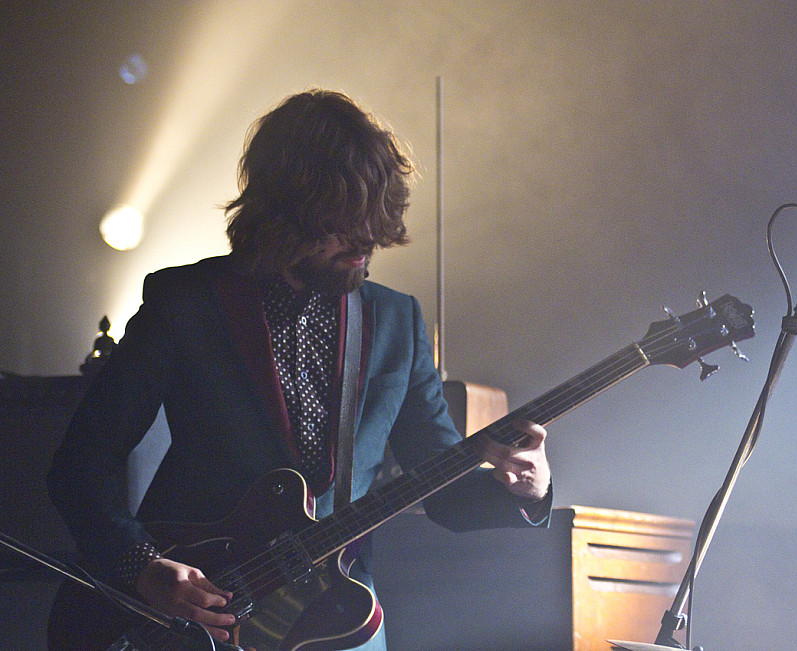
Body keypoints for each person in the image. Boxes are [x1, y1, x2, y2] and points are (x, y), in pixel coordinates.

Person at [47, 89, 551, 650]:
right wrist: (142, 566)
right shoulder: (186, 301)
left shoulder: (396, 322)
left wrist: (528, 488)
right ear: (282, 212)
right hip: (199, 611)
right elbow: (81, 464)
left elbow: (443, 491)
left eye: (374, 222)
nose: (365, 242)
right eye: (341, 223)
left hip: (339, 614)